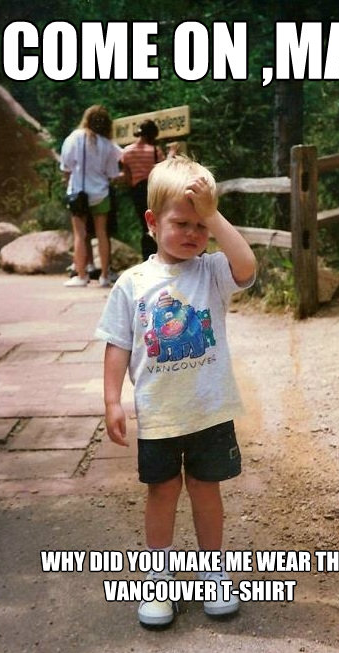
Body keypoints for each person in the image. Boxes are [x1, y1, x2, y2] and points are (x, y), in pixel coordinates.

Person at [95, 155, 256, 627]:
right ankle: (159, 579)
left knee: (207, 491)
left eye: (200, 226)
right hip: (159, 415)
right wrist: (111, 400)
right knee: (162, 492)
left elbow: (246, 265)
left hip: (208, 411)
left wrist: (214, 216)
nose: (193, 234)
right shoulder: (133, 283)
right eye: (181, 223)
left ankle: (213, 573)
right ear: (151, 222)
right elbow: (117, 344)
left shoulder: (211, 272)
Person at [61, 105, 122, 287]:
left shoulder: (74, 138)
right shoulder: (108, 144)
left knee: (80, 235)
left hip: (78, 193)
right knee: (102, 234)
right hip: (101, 193)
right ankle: (104, 275)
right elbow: (112, 174)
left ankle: (81, 276)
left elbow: (66, 167)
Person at [122, 119, 177, 261]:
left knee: (144, 223)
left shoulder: (127, 151)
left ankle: (146, 257)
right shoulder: (154, 150)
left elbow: (127, 177)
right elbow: (164, 167)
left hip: (136, 190)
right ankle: (160, 255)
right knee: (156, 221)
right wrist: (172, 152)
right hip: (151, 189)